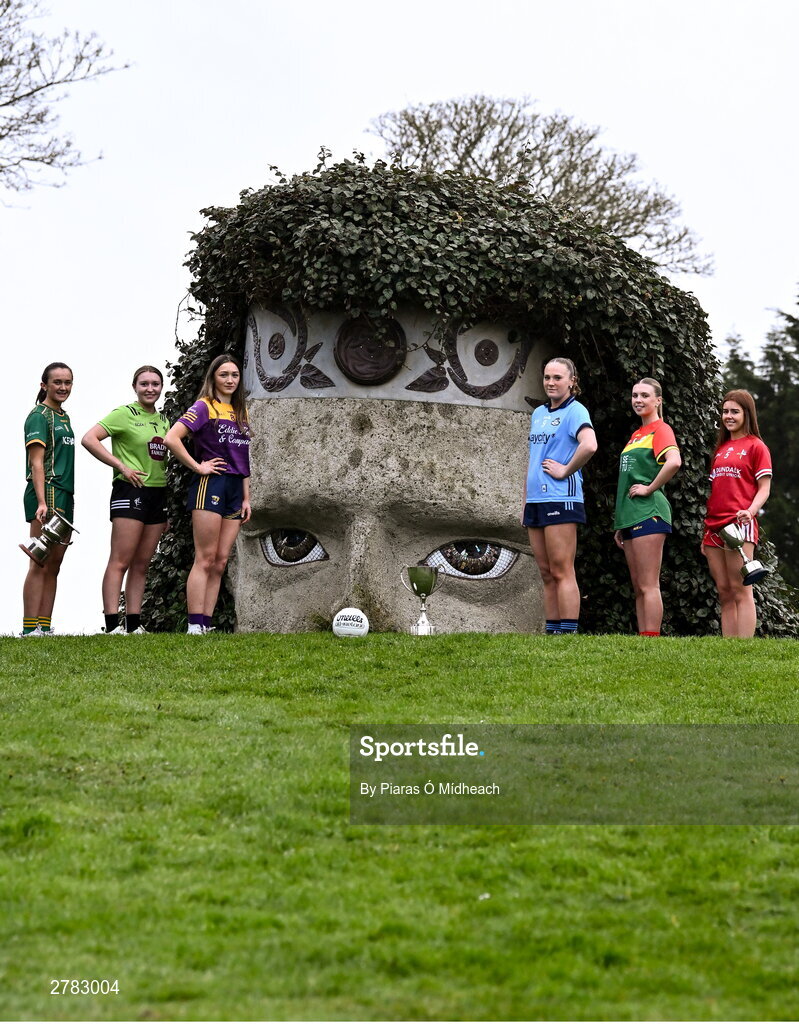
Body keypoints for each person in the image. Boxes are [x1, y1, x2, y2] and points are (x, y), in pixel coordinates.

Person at [165, 353, 251, 634]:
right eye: (224, 374)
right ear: (213, 377)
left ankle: (205, 624)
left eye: (234, 375)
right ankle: (193, 625)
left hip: (235, 489)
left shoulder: (241, 412)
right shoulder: (204, 406)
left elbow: (244, 457)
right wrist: (197, 466)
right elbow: (171, 438)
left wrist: (247, 497)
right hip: (210, 485)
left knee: (221, 560)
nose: (230, 380)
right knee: (205, 557)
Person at [81, 366, 171, 634]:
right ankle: (111, 626)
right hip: (130, 491)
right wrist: (121, 466)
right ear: (135, 387)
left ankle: (134, 624)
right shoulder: (124, 413)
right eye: (144, 384)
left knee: (142, 563)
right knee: (120, 560)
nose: (150, 389)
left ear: (161, 387)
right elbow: (89, 439)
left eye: (155, 384)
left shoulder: (164, 420)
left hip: (158, 494)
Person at [523, 357, 597, 634]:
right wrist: (525, 502)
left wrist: (565, 470)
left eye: (557, 378)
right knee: (546, 572)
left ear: (571, 381)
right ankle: (553, 631)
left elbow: (589, 445)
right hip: (535, 501)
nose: (551, 383)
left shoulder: (576, 411)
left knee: (562, 569)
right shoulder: (538, 413)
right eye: (547, 377)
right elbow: (533, 460)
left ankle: (568, 632)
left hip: (560, 499)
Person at [613, 377, 681, 636]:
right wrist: (621, 522)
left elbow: (673, 462)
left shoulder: (660, 429)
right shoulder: (636, 435)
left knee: (649, 584)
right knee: (639, 585)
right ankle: (645, 641)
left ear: (658, 400)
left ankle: (652, 640)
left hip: (649, 511)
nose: (638, 400)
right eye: (635, 395)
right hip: (630, 516)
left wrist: (649, 488)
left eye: (644, 395)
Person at [702, 389, 772, 638]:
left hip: (739, 524)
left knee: (741, 588)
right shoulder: (721, 449)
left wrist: (751, 511)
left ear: (747, 414)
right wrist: (704, 531)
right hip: (713, 527)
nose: (728, 416)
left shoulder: (756, 446)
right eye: (725, 411)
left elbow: (764, 488)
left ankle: (743, 647)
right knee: (723, 590)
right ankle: (729, 647)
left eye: (734, 411)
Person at [21, 362, 75, 636]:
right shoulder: (39, 416)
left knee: (54, 563)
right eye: (57, 382)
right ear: (44, 385)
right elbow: (37, 464)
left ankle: (44, 625)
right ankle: (30, 628)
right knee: (39, 559)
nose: (63, 387)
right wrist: (42, 502)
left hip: (66, 493)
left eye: (67, 382)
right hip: (48, 492)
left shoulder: (63, 416)